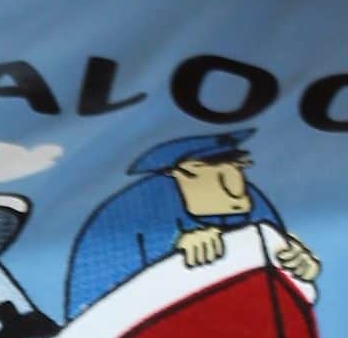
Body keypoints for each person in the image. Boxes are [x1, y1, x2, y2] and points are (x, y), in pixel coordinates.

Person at [64, 131, 320, 315]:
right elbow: (103, 288)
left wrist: (296, 266)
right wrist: (173, 251)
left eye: (236, 168)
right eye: (212, 171)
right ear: (178, 173)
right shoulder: (133, 208)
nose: (233, 188)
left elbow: (275, 246)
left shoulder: (252, 197)